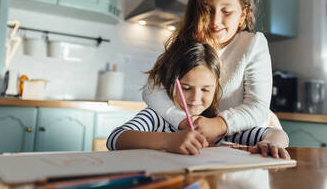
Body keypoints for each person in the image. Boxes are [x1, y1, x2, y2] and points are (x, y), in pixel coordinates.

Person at [143, 0, 278, 143]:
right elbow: (151, 90)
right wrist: (184, 121)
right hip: (202, 141)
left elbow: (257, 106)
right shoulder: (187, 44)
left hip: (246, 138)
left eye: (226, 12)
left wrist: (219, 124)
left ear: (242, 16)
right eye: (207, 10)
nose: (215, 21)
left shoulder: (253, 44)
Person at [107, 41, 290, 159]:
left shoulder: (213, 125)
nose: (195, 98)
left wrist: (272, 143)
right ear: (171, 84)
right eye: (186, 88)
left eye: (205, 89)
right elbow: (115, 138)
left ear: (216, 86)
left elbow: (276, 134)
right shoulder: (156, 117)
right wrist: (169, 141)